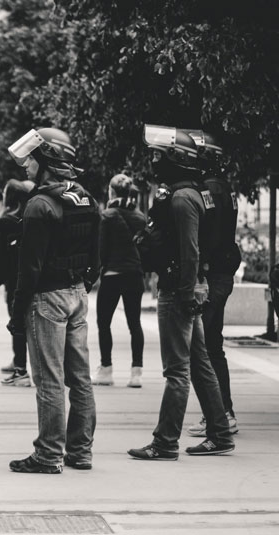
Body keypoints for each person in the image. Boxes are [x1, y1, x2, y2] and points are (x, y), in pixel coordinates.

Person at [128, 125, 234, 460]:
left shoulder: (181, 198)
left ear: (175, 158)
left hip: (178, 291)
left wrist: (187, 293)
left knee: (176, 371)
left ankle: (165, 442)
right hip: (186, 287)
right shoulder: (192, 192)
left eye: (158, 155)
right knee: (200, 365)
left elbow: (191, 251)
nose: (153, 161)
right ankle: (220, 433)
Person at [6, 127, 100, 473]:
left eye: (31, 159)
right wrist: (80, 285)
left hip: (47, 298)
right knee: (80, 378)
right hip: (77, 294)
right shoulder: (86, 198)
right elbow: (97, 257)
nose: (25, 165)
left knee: (49, 379)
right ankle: (81, 451)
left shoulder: (39, 204)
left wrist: (17, 313)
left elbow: (28, 268)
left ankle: (48, 455)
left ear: (46, 161)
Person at [181, 130, 241, 438]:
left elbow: (208, 236)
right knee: (213, 346)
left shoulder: (208, 190)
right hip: (222, 273)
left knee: (202, 349)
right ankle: (224, 412)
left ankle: (217, 415)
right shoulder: (225, 187)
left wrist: (199, 272)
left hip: (212, 274)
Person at [92, 174, 147, 388]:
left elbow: (102, 249)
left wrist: (101, 267)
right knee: (135, 324)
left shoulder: (107, 215)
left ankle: (106, 370)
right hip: (134, 274)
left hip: (112, 275)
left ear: (112, 192)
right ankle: (136, 373)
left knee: (104, 323)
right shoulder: (140, 217)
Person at [0, 178, 35, 386]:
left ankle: (21, 369)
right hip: (33, 277)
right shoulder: (32, 218)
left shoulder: (6, 221)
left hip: (14, 281)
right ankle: (19, 362)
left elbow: (0, 255)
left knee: (17, 323)